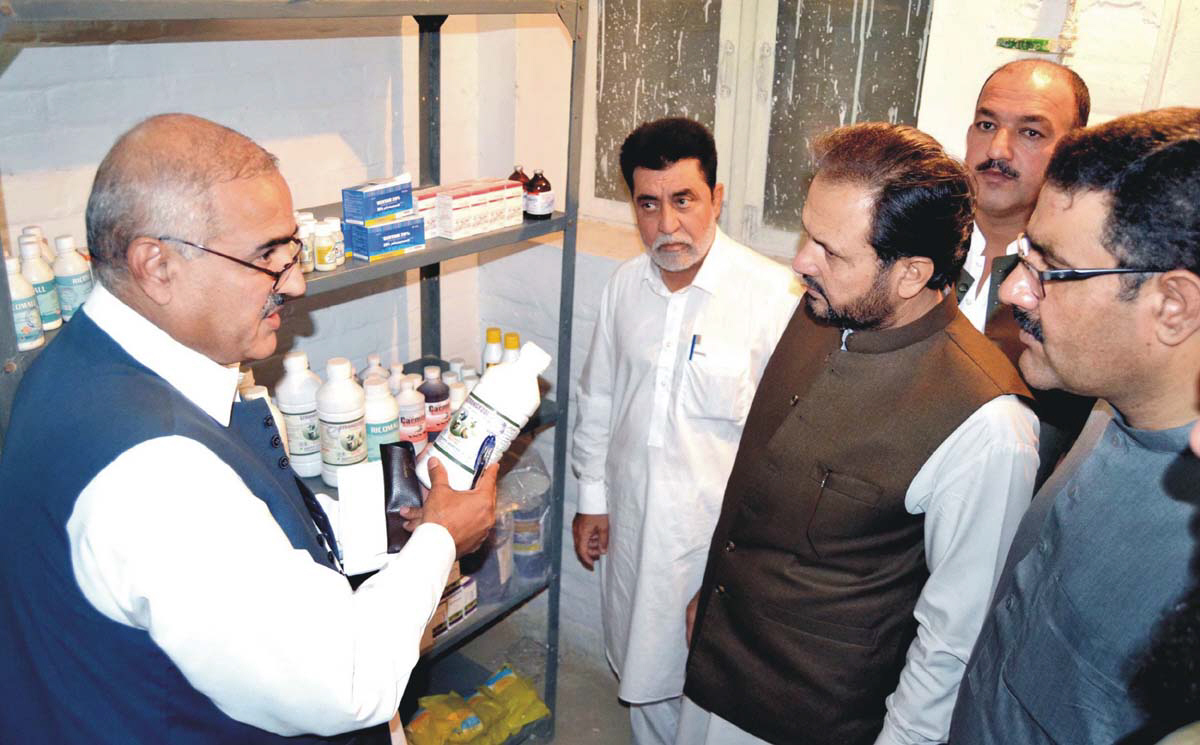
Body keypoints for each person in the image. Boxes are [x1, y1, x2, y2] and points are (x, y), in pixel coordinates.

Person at [0, 113, 497, 744]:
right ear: (157, 266)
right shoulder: (158, 475)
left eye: (291, 249)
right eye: (267, 255)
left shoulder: (78, 361)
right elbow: (344, 680)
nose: (295, 281)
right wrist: (441, 537)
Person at [679, 122, 1039, 745]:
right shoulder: (827, 304)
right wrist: (708, 595)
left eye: (830, 249)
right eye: (807, 234)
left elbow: (953, 639)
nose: (800, 262)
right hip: (716, 664)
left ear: (910, 274)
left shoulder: (990, 426)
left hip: (809, 716)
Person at [949, 108, 1200, 744]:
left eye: (1050, 270)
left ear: (1172, 306)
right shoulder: (1103, 411)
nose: (1014, 294)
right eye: (1025, 256)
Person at [570, 117, 798, 745]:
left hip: (715, 545)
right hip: (637, 528)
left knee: (715, 707)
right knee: (644, 684)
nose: (666, 225)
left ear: (716, 198)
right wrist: (592, 499)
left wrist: (740, 570)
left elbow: (784, 450)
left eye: (683, 200)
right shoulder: (624, 287)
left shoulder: (773, 295)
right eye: (648, 204)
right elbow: (599, 396)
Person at [956, 58, 1095, 486]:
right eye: (985, 124)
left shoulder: (1088, 286)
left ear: (1074, 151)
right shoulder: (909, 245)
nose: (998, 150)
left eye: (1031, 132)